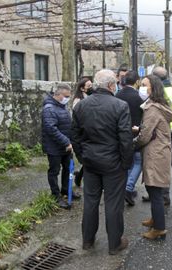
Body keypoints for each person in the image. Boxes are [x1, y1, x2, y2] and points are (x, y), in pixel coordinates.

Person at [71, 69, 133, 255]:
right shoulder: (120, 106)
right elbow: (125, 138)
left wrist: (83, 157)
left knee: (90, 202)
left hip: (91, 162)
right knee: (113, 204)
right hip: (113, 163)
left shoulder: (81, 106)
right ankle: (114, 244)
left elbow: (75, 136)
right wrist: (125, 162)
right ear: (111, 85)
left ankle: (87, 241)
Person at [135, 74, 172, 240]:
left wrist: (134, 143)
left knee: (154, 191)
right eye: (141, 85)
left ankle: (159, 228)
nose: (141, 88)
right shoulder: (160, 105)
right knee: (155, 189)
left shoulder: (152, 109)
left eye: (145, 85)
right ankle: (156, 218)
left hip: (155, 154)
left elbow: (145, 135)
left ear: (154, 88)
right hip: (161, 151)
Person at [141, 66, 172, 205]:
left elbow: (157, 116)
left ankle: (160, 196)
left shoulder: (160, 93)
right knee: (164, 166)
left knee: (159, 167)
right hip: (170, 130)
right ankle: (161, 195)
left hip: (160, 132)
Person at [42, 83, 81, 209]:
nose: (67, 98)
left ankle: (65, 189)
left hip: (66, 147)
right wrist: (66, 142)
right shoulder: (49, 109)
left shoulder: (62, 106)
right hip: (54, 147)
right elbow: (51, 129)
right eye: (65, 96)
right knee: (54, 171)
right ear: (57, 95)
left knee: (67, 168)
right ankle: (56, 195)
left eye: (69, 96)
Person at [115, 70, 143, 206]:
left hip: (120, 134)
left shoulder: (117, 95)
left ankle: (124, 188)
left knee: (125, 163)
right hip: (136, 134)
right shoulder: (139, 97)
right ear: (137, 82)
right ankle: (129, 187)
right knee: (138, 162)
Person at [72, 77, 93, 187]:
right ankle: (79, 177)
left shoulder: (89, 97)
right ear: (82, 88)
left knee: (88, 160)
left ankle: (79, 177)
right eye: (88, 86)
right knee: (86, 159)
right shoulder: (78, 101)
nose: (91, 88)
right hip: (82, 132)